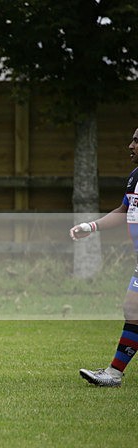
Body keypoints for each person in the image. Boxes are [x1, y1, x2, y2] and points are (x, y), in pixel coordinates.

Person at [72, 127, 138, 387]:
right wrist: (91, 227)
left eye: (136, 141)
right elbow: (123, 211)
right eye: (132, 139)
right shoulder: (134, 178)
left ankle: (114, 373)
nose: (130, 146)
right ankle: (114, 373)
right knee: (133, 308)